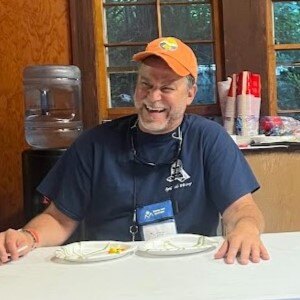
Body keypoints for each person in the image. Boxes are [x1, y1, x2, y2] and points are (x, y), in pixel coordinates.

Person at [0, 37, 269, 265]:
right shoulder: (94, 144)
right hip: (109, 271)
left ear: (190, 94)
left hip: (188, 268)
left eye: (167, 88)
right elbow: (59, 220)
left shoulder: (209, 139)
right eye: (146, 85)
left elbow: (241, 209)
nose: (153, 98)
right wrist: (27, 237)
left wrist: (246, 229)